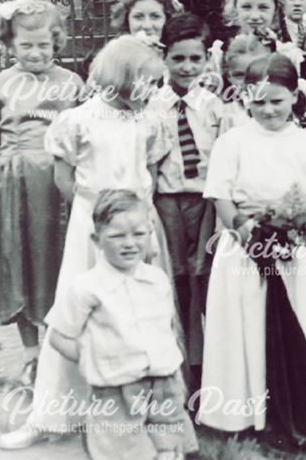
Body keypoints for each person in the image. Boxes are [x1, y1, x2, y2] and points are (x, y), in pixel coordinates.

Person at [0, 35, 175, 449]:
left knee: (138, 314)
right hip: (91, 225)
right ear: (119, 80)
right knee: (76, 311)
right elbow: (64, 177)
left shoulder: (148, 119)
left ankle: (144, 411)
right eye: (145, 84)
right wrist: (92, 219)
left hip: (137, 223)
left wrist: (140, 219)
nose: (152, 93)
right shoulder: (78, 120)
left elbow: (147, 165)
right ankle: (52, 413)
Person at [200, 54, 306, 443]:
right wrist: (245, 228)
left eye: (277, 100)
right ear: (244, 98)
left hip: (299, 245)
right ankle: (243, 409)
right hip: (245, 245)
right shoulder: (232, 141)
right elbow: (220, 196)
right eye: (258, 101)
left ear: (294, 98)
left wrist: (299, 224)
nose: (267, 109)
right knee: (248, 320)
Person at [0, 0, 85, 386]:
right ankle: (31, 352)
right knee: (21, 261)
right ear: (9, 44)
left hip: (59, 182)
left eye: (43, 45)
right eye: (25, 45)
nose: (35, 53)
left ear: (57, 40)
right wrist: (0, 165)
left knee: (57, 258)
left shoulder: (71, 83)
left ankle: (62, 348)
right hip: (16, 183)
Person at [49, 190, 198, 460]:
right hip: (116, 389)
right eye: (117, 236)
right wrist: (92, 358)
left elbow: (168, 330)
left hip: (164, 384)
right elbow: (59, 337)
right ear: (97, 240)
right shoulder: (87, 288)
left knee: (170, 449)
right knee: (122, 451)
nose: (129, 243)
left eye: (139, 234)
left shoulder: (157, 280)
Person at [152, 14, 222, 385]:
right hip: (167, 201)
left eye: (195, 59)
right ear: (164, 58)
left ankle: (207, 360)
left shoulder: (213, 106)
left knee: (204, 272)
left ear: (207, 59)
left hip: (205, 200)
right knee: (174, 275)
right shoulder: (152, 104)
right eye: (178, 59)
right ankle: (179, 364)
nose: (187, 67)